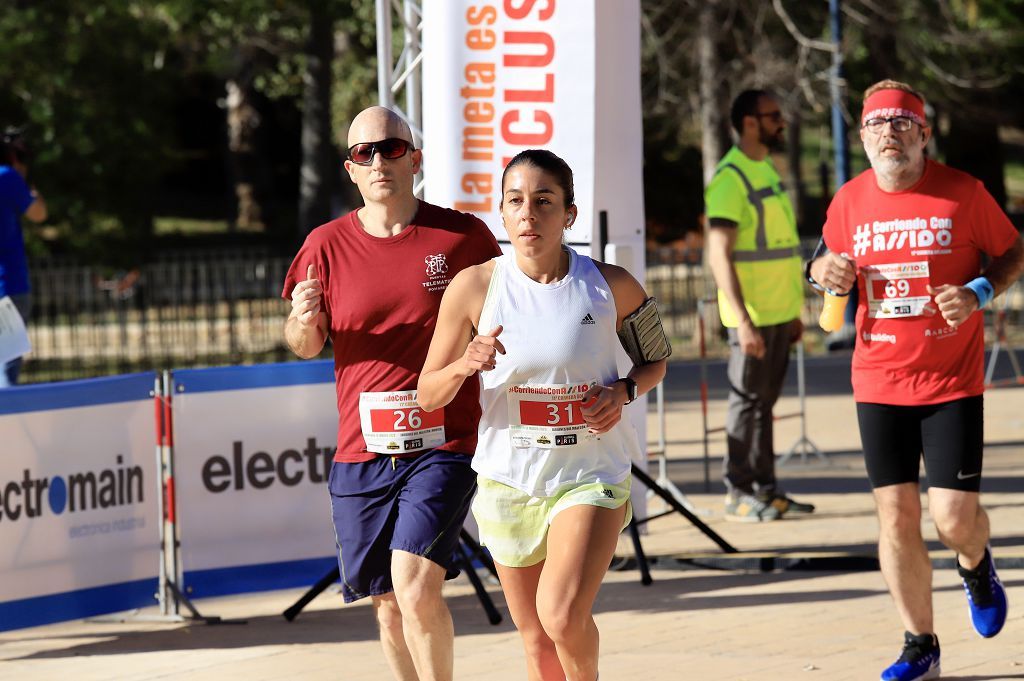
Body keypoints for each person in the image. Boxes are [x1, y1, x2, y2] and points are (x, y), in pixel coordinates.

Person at [417, 149, 669, 681]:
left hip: (590, 475)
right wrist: (466, 362)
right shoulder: (475, 287)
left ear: (569, 214)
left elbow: (657, 359)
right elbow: (427, 394)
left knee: (562, 615)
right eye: (516, 201)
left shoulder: (610, 284)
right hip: (509, 479)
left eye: (544, 201)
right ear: (502, 214)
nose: (529, 213)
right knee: (536, 640)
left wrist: (623, 390)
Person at [807, 79, 1023, 681]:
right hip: (878, 378)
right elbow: (822, 262)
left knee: (953, 520)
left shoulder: (964, 192)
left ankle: (976, 563)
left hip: (951, 380)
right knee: (897, 516)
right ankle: (919, 644)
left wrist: (979, 291)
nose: (889, 133)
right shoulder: (849, 199)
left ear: (923, 135)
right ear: (863, 138)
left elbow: (1011, 253)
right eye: (877, 124)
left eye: (902, 123)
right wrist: (818, 268)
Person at [281, 105, 500, 681]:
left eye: (392, 148)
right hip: (363, 449)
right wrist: (304, 321)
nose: (379, 161)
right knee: (386, 604)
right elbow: (305, 343)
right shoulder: (323, 246)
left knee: (415, 580)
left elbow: (506, 316)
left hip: (445, 440)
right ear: (350, 169)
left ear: (415, 158)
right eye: (364, 153)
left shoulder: (461, 237)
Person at [704, 90, 815, 522]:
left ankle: (766, 490)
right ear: (749, 122)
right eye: (773, 116)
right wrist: (745, 322)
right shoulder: (731, 179)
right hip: (750, 317)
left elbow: (778, 249)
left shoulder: (764, 168)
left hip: (776, 313)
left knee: (763, 404)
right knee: (746, 403)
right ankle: (738, 491)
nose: (781, 122)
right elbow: (719, 255)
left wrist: (791, 313)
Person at [1, 127, 47, 385]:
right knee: (5, 373)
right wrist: (32, 191)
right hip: (7, 288)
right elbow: (38, 214)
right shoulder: (7, 177)